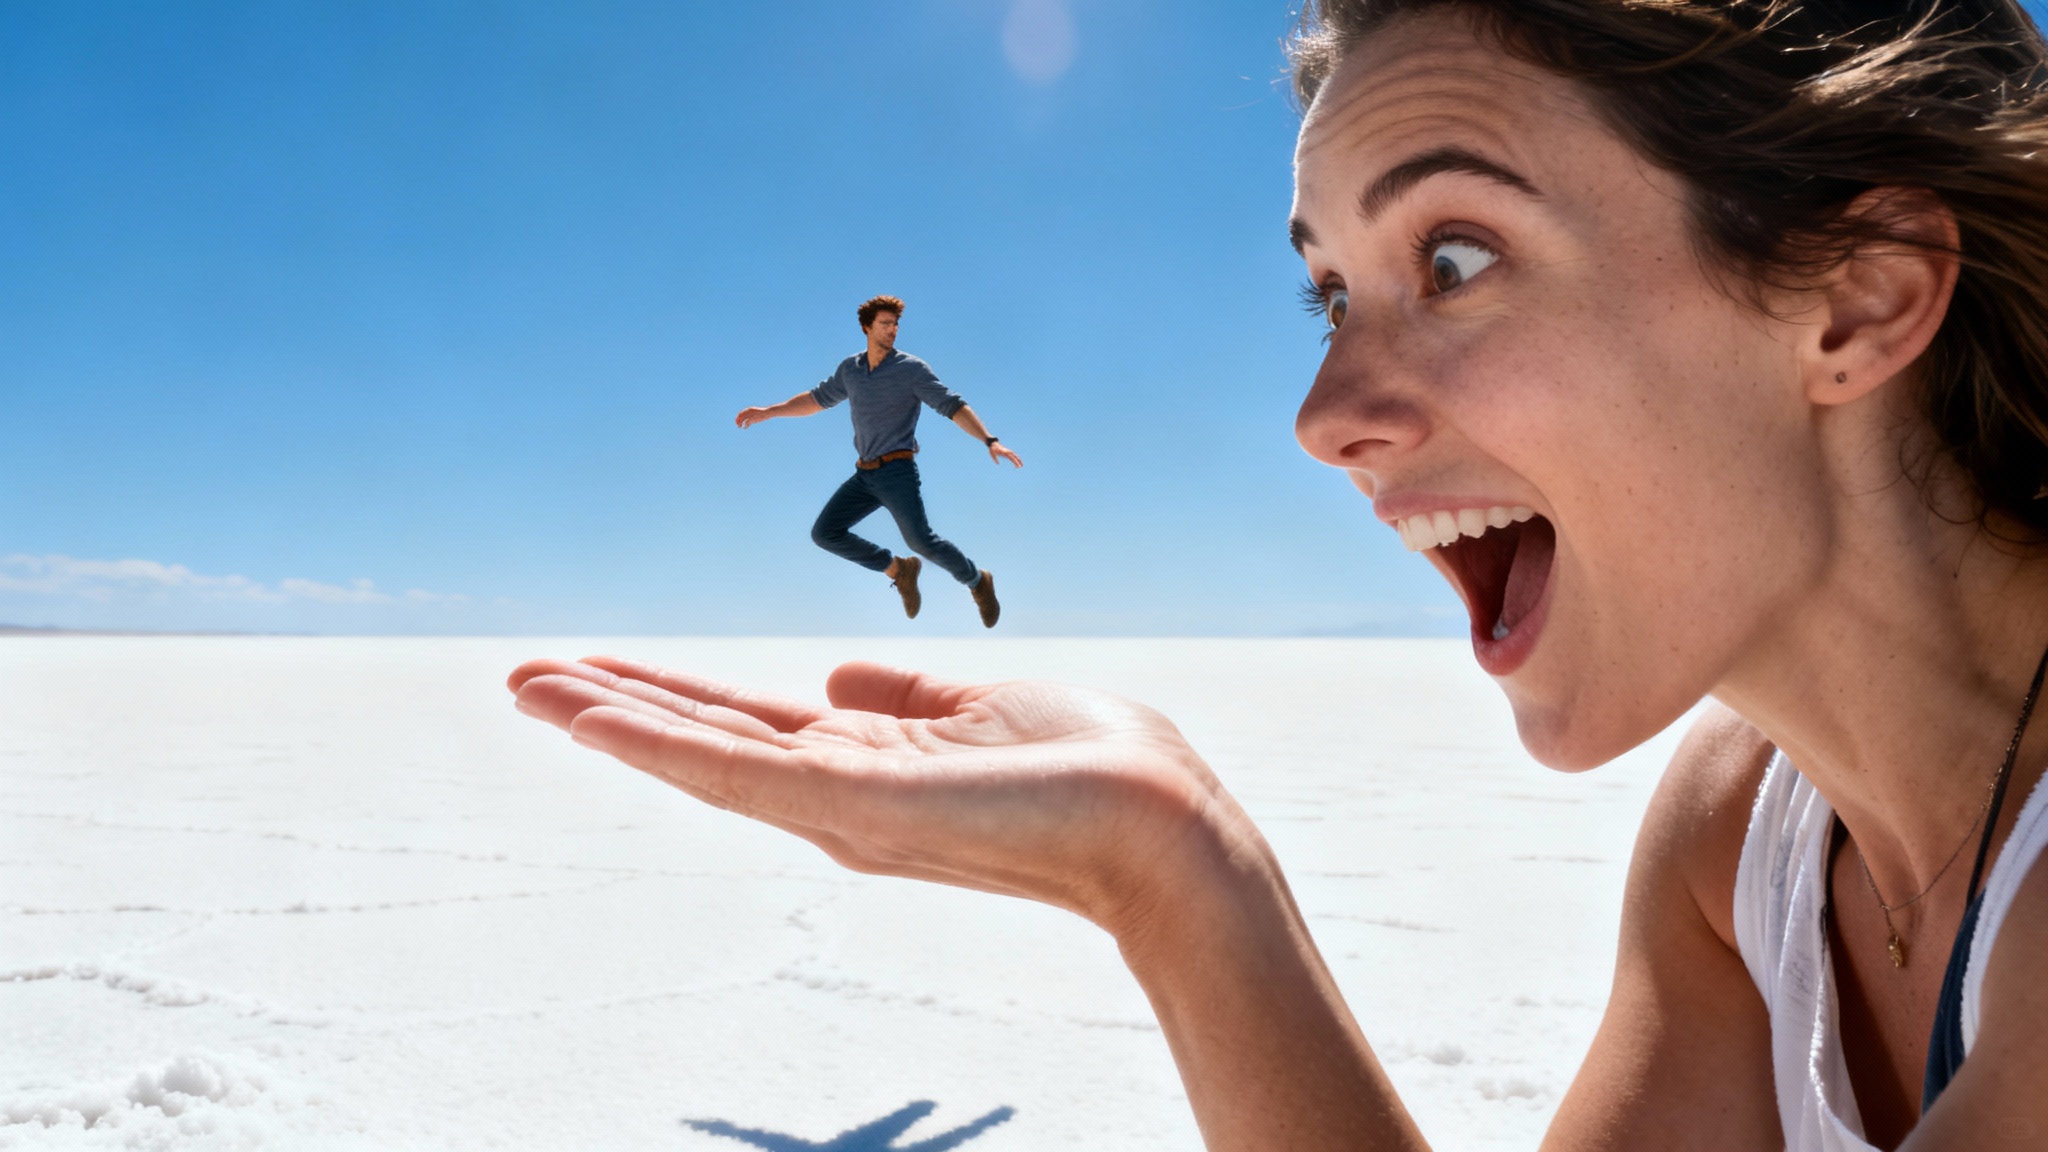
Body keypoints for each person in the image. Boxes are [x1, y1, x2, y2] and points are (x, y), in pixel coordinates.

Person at [512, 1, 2048, 1147]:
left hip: (916, 478)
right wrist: (1174, 871)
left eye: (1453, 260)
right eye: (1329, 297)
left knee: (899, 524)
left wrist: (978, 450)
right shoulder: (1746, 833)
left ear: (1858, 300)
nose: (1323, 421)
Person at [735, 295, 1023, 628]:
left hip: (897, 471)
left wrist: (990, 440)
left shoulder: (911, 370)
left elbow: (952, 406)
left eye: (896, 324)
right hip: (864, 475)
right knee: (825, 533)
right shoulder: (851, 370)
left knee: (920, 540)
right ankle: (898, 569)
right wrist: (769, 412)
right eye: (885, 324)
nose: (893, 330)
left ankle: (977, 580)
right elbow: (816, 400)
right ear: (866, 327)